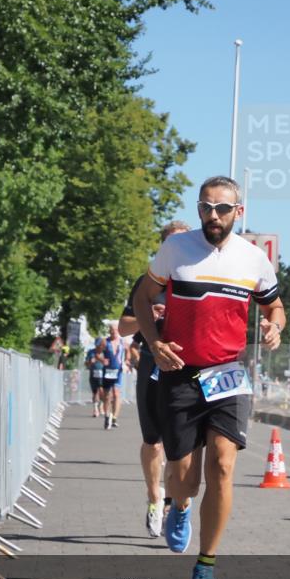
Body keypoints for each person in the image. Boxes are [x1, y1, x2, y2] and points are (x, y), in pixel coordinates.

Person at [134, 176, 285, 579]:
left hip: (227, 373)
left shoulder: (254, 259)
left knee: (222, 464)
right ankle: (179, 505)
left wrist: (274, 326)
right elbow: (142, 299)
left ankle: (206, 563)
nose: (213, 216)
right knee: (185, 478)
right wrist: (155, 342)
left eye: (222, 209)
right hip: (181, 372)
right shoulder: (175, 250)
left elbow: (274, 304)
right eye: (206, 207)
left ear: (239, 212)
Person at [119, 219, 194, 538]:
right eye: (172, 244)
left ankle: (173, 504)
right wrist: (148, 318)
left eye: (184, 242)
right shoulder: (148, 283)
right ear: (164, 248)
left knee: (183, 446)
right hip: (151, 366)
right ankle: (154, 497)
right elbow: (122, 328)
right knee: (154, 441)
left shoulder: (197, 281)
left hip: (188, 368)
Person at [100, 323, 125, 429]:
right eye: (112, 330)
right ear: (109, 331)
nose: (114, 331)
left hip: (118, 371)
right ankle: (106, 416)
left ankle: (114, 417)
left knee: (116, 393)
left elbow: (127, 353)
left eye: (115, 330)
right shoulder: (105, 342)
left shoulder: (122, 342)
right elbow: (97, 353)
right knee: (106, 396)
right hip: (107, 371)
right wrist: (102, 359)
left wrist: (127, 361)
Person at [85, 337, 106, 418]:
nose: (98, 347)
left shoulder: (105, 352)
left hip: (103, 375)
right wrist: (90, 362)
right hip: (93, 374)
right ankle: (95, 409)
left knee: (102, 391)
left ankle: (101, 405)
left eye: (99, 345)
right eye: (97, 345)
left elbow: (108, 362)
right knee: (95, 392)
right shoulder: (91, 352)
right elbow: (86, 364)